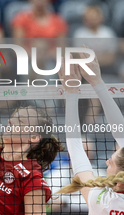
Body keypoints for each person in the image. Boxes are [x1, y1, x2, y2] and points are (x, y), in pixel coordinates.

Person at [56, 51, 124, 214]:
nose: (107, 162)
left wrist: (71, 92)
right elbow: (120, 132)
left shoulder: (101, 202)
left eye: (111, 163)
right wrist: (97, 82)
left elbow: (76, 154)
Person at [0, 107, 64, 214]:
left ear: (34, 137)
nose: (10, 121)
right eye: (13, 118)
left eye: (20, 121)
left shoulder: (32, 178)